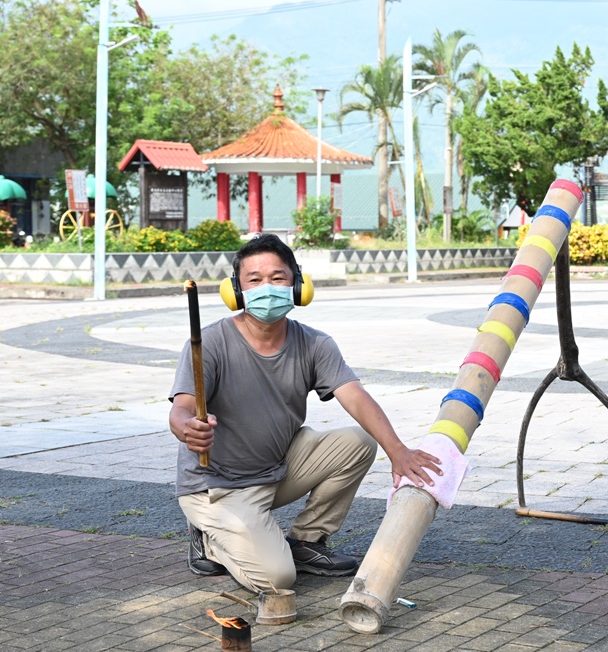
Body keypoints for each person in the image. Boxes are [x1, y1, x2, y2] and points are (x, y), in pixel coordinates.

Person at [169, 233, 442, 593]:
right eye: (255, 279)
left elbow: (355, 397)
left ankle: (305, 542)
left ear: (298, 285)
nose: (267, 287)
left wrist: (398, 450)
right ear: (235, 291)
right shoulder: (211, 343)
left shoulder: (314, 343)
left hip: (276, 469)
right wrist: (187, 428)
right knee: (277, 578)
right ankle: (209, 538)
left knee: (358, 442)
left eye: (278, 278)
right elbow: (182, 409)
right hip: (217, 486)